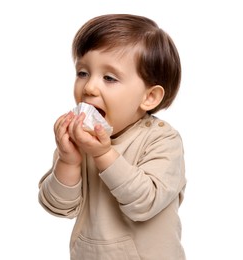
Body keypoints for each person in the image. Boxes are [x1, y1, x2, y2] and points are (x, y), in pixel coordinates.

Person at [38, 13, 186, 260]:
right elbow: (59, 207)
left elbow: (145, 203)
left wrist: (103, 154)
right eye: (83, 73)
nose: (89, 88)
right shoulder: (80, 141)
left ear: (149, 97)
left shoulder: (163, 141)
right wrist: (68, 161)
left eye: (109, 78)